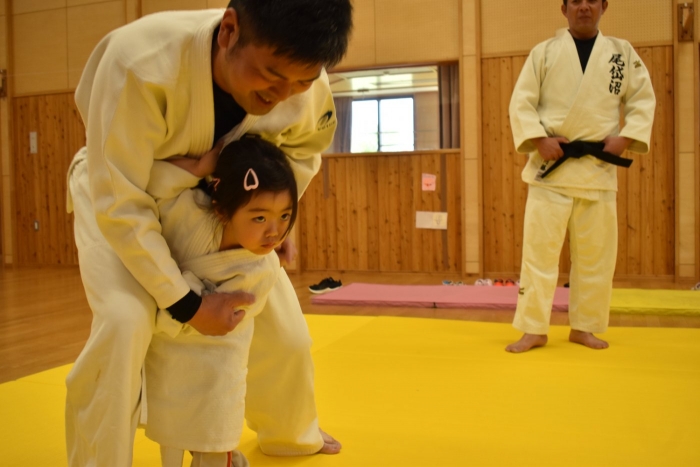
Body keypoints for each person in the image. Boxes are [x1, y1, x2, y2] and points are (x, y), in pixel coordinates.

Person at [64, 1, 353, 465]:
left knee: (287, 335)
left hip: (226, 206)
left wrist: (271, 218)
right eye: (272, 75)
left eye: (300, 82)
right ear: (230, 31)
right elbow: (121, 201)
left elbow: (302, 152)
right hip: (124, 190)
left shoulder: (304, 79)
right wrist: (187, 305)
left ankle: (292, 431)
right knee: (125, 320)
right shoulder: (140, 61)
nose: (283, 94)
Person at [505, 0, 655, 353]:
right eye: (576, 1)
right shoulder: (543, 53)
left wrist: (627, 137)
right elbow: (521, 102)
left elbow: (642, 100)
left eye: (591, 1)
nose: (584, 7)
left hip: (597, 170)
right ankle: (533, 329)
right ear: (564, 9)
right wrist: (538, 139)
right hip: (551, 171)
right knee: (539, 255)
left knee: (596, 257)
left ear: (604, 6)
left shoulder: (621, 53)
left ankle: (584, 327)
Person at [142, 136, 299, 467]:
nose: (274, 232)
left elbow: (233, 319)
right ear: (222, 210)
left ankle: (220, 456)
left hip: (220, 358)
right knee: (170, 429)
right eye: (260, 218)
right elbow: (148, 179)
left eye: (285, 216)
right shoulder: (187, 213)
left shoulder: (264, 267)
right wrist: (198, 167)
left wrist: (185, 304)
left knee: (213, 427)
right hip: (169, 349)